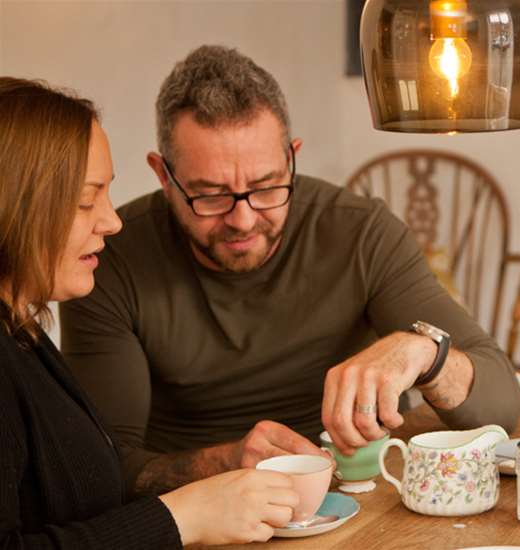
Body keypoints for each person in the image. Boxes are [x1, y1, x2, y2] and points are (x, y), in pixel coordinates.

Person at [60, 45, 520, 497]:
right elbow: (99, 465)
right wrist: (223, 464)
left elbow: (500, 405)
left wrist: (422, 354)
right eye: (210, 195)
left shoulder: (361, 232)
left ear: (292, 158)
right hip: (200, 510)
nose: (243, 219)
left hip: (359, 495)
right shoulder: (108, 257)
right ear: (164, 177)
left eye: (266, 187)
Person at [0, 77, 302, 547]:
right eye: (85, 200)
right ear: (14, 208)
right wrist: (184, 517)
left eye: (106, 194)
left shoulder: (22, 332)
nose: (112, 220)